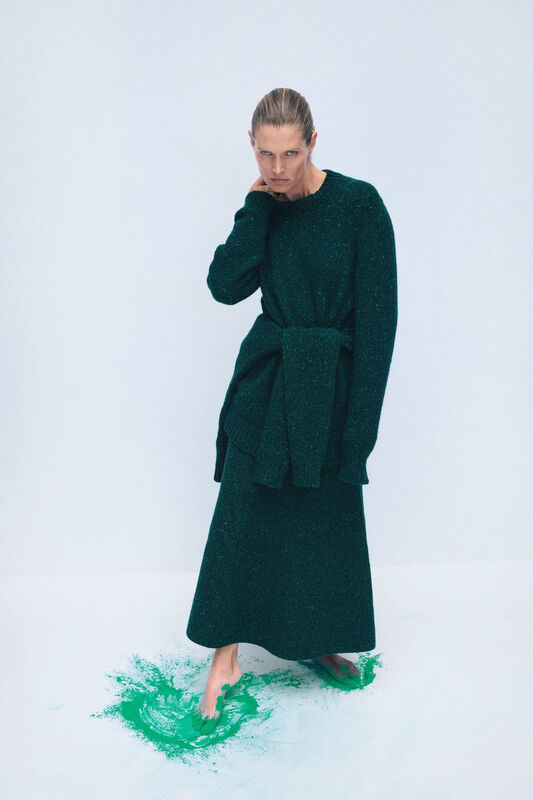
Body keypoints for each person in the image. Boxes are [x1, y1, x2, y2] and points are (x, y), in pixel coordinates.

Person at [186, 87, 398, 732]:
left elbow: (379, 326)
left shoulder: (360, 206)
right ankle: (224, 658)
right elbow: (224, 286)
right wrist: (254, 208)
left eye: (290, 154)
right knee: (242, 513)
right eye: (265, 155)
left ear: (312, 143)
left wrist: (361, 429)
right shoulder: (264, 207)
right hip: (268, 379)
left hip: (330, 385)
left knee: (322, 518)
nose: (277, 169)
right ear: (252, 148)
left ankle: (315, 638)